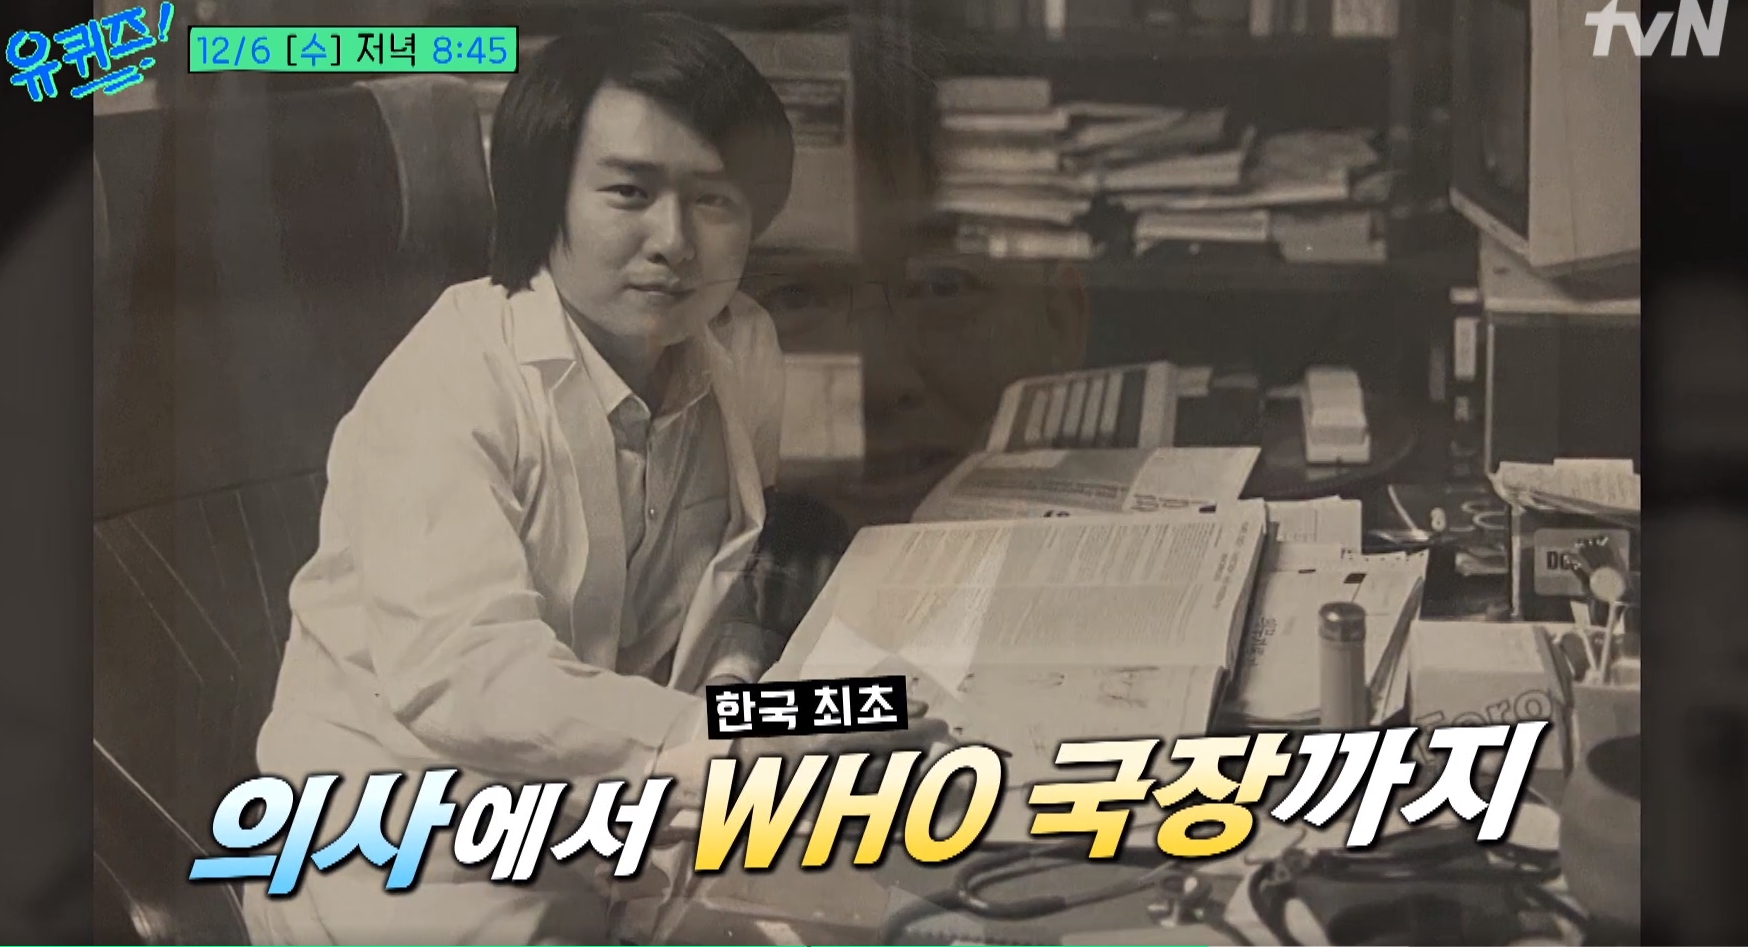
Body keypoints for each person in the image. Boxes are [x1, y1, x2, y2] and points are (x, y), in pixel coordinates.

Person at [248, 14, 943, 945]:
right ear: (549, 200)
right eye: (629, 192)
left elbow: (729, 591)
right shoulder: (448, 383)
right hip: (407, 841)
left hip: (619, 807)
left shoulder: (739, 349)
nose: (674, 241)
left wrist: (785, 699)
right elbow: (469, 677)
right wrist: (726, 740)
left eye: (715, 199)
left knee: (913, 779)